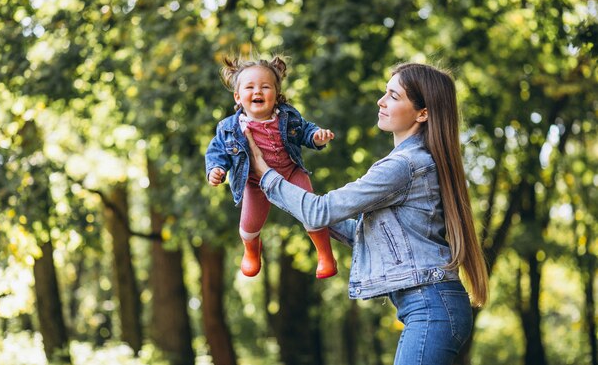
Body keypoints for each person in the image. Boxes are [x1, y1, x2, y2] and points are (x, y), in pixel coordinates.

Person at [244, 62, 488, 365]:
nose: (381, 101)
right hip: (433, 305)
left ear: (422, 113)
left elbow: (320, 211)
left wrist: (265, 173)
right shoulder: (415, 161)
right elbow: (356, 229)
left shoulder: (403, 166)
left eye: (393, 96)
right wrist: (304, 202)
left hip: (431, 308)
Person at [205, 54, 338, 279]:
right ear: (238, 97)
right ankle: (252, 251)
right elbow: (217, 151)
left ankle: (325, 255)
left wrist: (316, 137)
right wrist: (216, 169)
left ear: (276, 95)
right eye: (250, 87)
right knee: (249, 226)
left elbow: (305, 131)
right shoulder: (230, 127)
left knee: (312, 212)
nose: (257, 91)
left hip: (291, 172)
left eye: (265, 87)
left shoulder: (287, 116)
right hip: (255, 182)